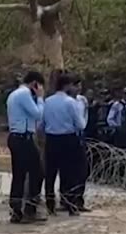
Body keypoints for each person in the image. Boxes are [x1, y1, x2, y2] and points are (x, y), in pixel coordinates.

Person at [42, 72, 89, 215]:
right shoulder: (70, 102)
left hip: (51, 139)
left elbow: (42, 123)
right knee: (69, 173)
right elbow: (80, 125)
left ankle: (50, 204)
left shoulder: (48, 101)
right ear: (66, 86)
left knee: (50, 173)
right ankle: (70, 205)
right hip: (68, 139)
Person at [6, 71, 45, 223]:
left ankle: (17, 209)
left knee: (20, 174)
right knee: (37, 172)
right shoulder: (24, 94)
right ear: (35, 84)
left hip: (18, 137)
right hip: (23, 138)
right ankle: (29, 209)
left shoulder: (15, 94)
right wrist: (40, 98)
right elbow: (37, 114)